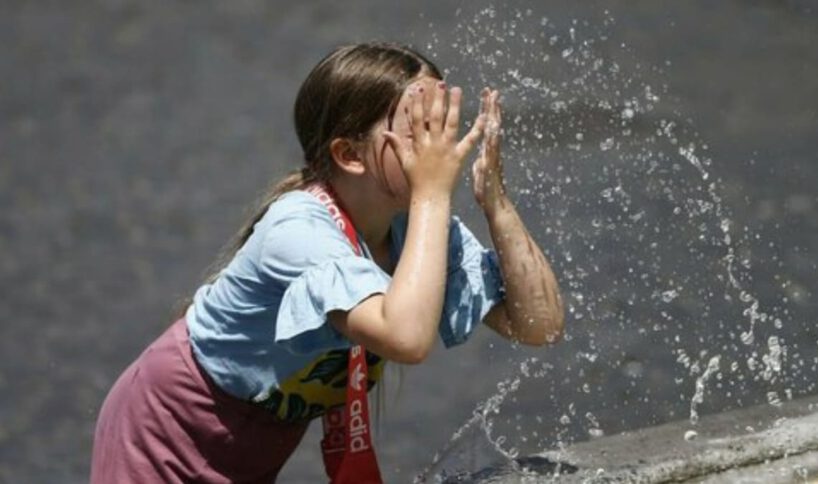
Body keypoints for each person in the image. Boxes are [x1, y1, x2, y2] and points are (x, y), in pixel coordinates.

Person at [91, 42, 564, 483]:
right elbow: (406, 338)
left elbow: (538, 325)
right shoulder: (298, 231)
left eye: (443, 122)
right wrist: (433, 194)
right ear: (349, 154)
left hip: (258, 436)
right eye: (420, 129)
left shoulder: (411, 227)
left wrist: (496, 202)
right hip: (168, 428)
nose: (442, 148)